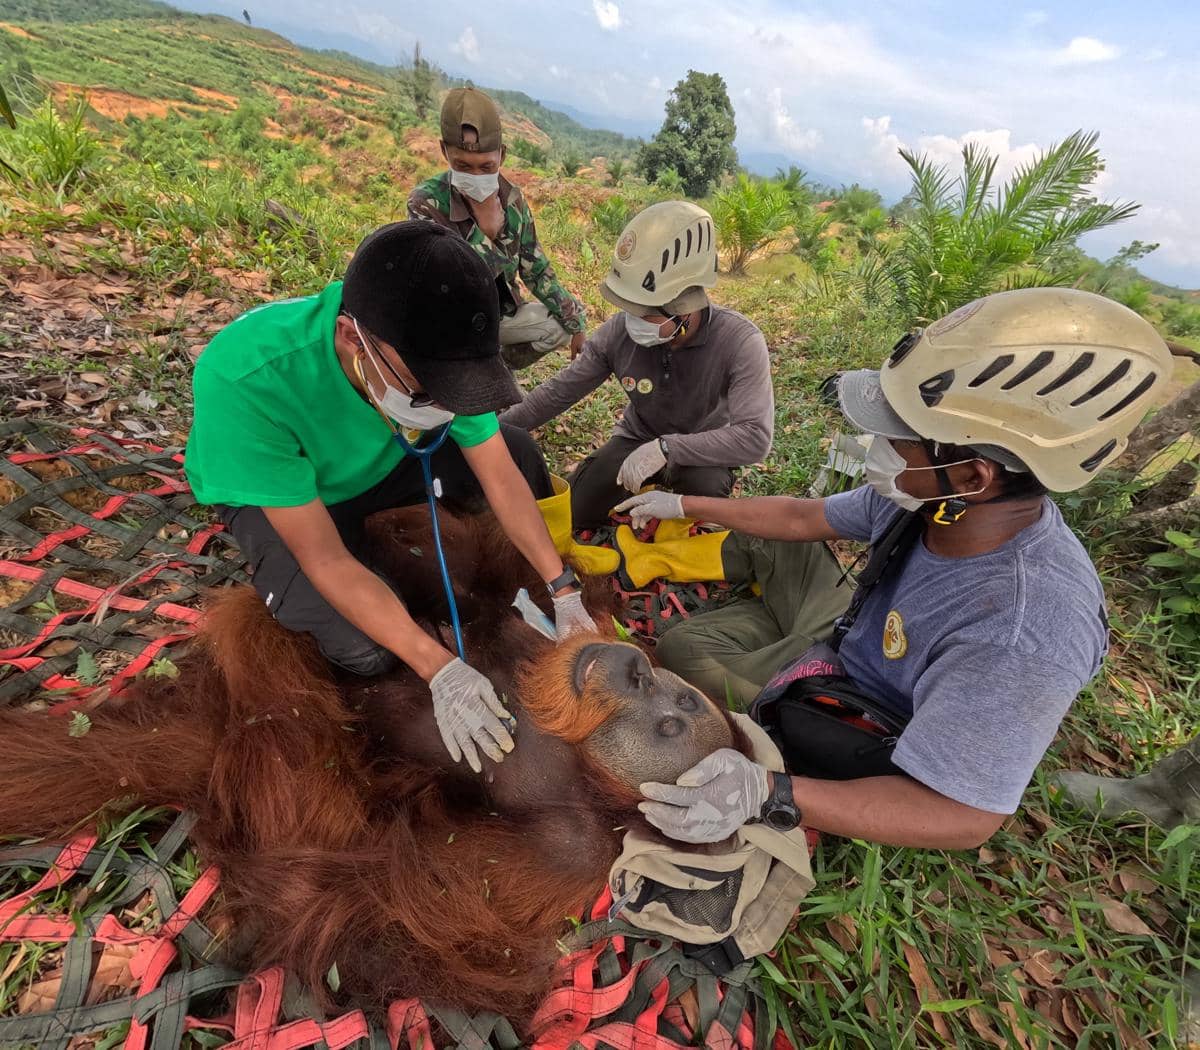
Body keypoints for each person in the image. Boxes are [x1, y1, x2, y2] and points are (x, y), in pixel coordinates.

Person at [612, 288, 1172, 850]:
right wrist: (685, 505)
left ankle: (776, 672)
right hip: (855, 636)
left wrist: (770, 792)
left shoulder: (1022, 630)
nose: (876, 447)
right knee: (706, 623)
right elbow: (805, 517)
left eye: (897, 438)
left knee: (687, 664)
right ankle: (780, 637)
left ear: (973, 475)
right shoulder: (931, 499)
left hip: (867, 709)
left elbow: (962, 816)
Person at [185, 220, 597, 775]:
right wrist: (439, 668)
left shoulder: (435, 351)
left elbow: (500, 477)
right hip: (295, 497)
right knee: (366, 651)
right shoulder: (249, 376)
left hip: (386, 460)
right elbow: (325, 558)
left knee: (518, 452)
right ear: (354, 339)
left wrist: (562, 587)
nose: (449, 406)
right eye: (428, 390)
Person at [500, 201, 774, 530]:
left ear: (684, 309)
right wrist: (492, 435)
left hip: (702, 449)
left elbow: (755, 438)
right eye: (629, 309)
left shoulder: (739, 341)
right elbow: (559, 391)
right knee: (574, 511)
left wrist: (667, 448)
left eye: (645, 313)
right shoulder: (619, 333)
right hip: (635, 439)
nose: (633, 321)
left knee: (699, 512)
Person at [407, 87, 587, 369]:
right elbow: (449, 286)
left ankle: (495, 370)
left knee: (557, 326)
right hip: (448, 324)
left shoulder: (514, 202)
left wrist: (575, 323)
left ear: (501, 155)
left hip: (499, 316)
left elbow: (536, 270)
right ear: (444, 152)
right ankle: (458, 373)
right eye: (463, 165)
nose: (475, 175)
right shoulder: (426, 204)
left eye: (486, 166)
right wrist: (486, 232)